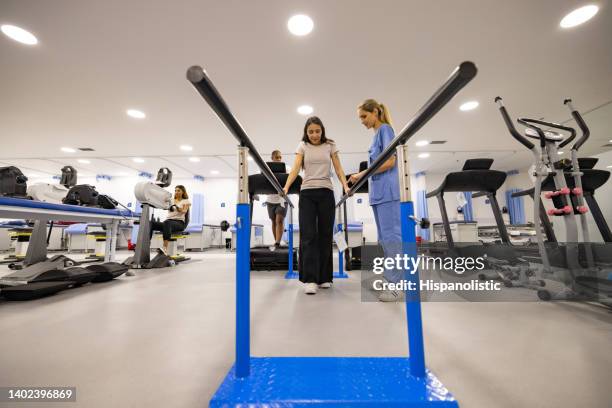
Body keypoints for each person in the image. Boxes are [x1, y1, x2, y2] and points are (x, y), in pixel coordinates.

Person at [284, 116, 350, 295]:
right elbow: (296, 168)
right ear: (306, 132)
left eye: (317, 131)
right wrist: (286, 187)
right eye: (311, 131)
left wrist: (345, 186)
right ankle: (310, 279)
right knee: (308, 235)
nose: (314, 135)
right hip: (307, 194)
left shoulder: (330, 145)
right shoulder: (302, 146)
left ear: (322, 131)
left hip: (326, 192)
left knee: (325, 235)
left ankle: (325, 277)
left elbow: (338, 169)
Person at [349, 99, 402, 302]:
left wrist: (362, 173)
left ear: (375, 112)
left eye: (364, 116)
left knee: (392, 240)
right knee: (385, 241)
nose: (362, 121)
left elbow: (390, 161)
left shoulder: (385, 130)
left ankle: (396, 286)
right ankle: (391, 281)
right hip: (379, 195)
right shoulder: (375, 137)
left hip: (388, 193)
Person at [151, 185, 191, 255]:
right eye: (175, 190)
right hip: (168, 222)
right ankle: (147, 242)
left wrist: (176, 206)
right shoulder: (171, 200)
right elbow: (163, 205)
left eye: (178, 190)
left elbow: (184, 211)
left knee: (167, 223)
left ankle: (164, 248)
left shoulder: (186, 201)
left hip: (179, 223)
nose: (176, 192)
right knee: (151, 223)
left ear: (183, 192)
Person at [266, 150, 287, 250]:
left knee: (279, 220)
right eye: (277, 157)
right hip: (270, 200)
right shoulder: (266, 169)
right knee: (273, 221)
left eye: (280, 157)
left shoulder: (286, 168)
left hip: (282, 200)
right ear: (272, 158)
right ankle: (276, 241)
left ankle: (278, 242)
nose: (279, 159)